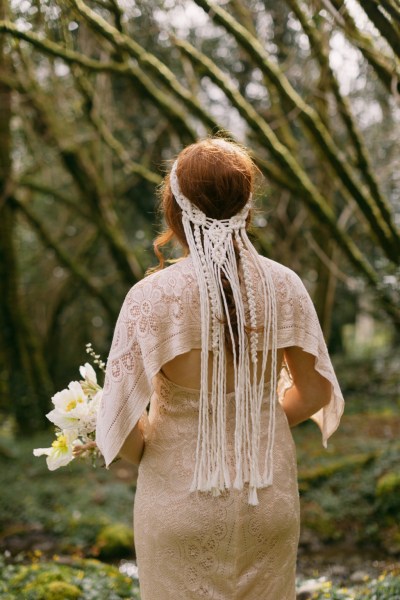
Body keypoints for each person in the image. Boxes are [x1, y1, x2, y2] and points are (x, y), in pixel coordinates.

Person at [95, 137, 344, 599]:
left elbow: (122, 428)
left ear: (175, 210)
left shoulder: (152, 298)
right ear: (246, 208)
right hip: (266, 498)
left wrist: (155, 446)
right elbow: (314, 395)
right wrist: (250, 418)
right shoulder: (284, 286)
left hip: (178, 501)